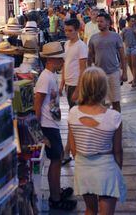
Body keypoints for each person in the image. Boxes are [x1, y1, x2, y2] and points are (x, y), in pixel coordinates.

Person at [68, 67, 126, 214]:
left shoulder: (73, 113)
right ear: (104, 88)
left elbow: (73, 149)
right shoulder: (114, 117)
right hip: (106, 168)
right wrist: (118, 170)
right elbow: (117, 151)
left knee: (90, 209)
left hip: (83, 169)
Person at [34, 42, 77, 211]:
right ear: (52, 60)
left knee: (57, 159)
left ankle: (56, 191)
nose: (62, 62)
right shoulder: (45, 77)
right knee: (56, 160)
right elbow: (37, 104)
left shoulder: (49, 75)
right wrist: (39, 133)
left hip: (51, 123)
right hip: (47, 125)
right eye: (60, 60)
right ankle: (55, 198)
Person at [60, 19, 88, 165]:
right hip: (69, 86)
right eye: (66, 30)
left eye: (70, 30)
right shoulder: (66, 44)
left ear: (77, 30)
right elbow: (66, 64)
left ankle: (69, 151)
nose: (67, 33)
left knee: (74, 120)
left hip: (76, 86)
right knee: (73, 119)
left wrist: (78, 89)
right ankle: (70, 151)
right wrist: (62, 83)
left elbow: (83, 69)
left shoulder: (81, 46)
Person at [88, 12, 128, 112]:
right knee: (100, 102)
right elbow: (90, 56)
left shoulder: (116, 36)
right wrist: (90, 71)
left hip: (114, 73)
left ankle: (117, 123)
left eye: (101, 21)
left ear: (108, 22)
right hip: (99, 74)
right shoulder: (93, 38)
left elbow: (122, 56)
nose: (99, 23)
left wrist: (125, 72)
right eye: (98, 22)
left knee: (115, 101)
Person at [120, 15, 136, 87]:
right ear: (128, 22)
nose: (133, 22)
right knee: (130, 64)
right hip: (128, 48)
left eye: (134, 21)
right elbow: (121, 40)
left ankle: (135, 80)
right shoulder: (124, 30)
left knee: (134, 64)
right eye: (131, 21)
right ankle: (134, 77)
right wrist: (122, 34)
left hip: (135, 47)